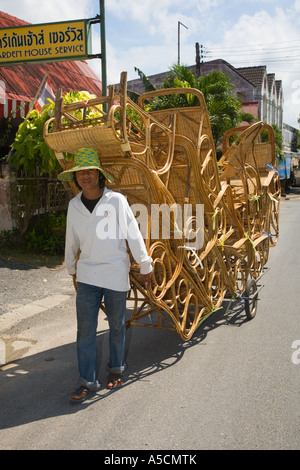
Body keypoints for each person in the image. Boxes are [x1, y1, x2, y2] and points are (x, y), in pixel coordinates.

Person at [58, 147, 152, 402]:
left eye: (90, 171)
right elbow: (71, 240)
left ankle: (116, 368)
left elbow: (132, 233)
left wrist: (145, 264)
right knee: (85, 330)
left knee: (117, 326)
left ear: (100, 175)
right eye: (80, 172)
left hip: (114, 273)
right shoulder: (74, 206)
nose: (85, 176)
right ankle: (87, 381)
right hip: (87, 275)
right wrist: (70, 266)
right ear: (75, 177)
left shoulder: (116, 201)